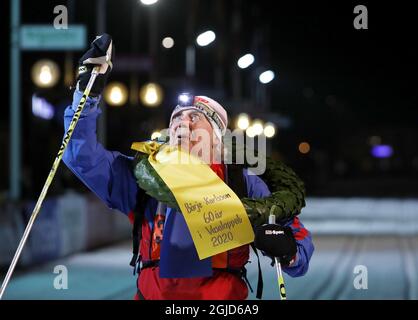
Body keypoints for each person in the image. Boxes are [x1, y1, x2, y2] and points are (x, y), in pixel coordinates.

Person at [63, 34, 314, 300]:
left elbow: (299, 248)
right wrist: (85, 95)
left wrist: (287, 250)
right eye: (176, 119)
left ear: (216, 137)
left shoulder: (241, 182)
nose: (183, 123)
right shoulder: (144, 178)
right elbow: (81, 156)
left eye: (195, 117)